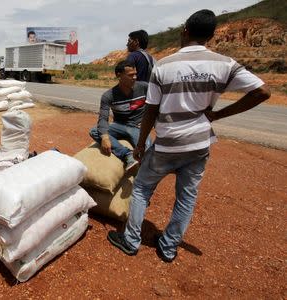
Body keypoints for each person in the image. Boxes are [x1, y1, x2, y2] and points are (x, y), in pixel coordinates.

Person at [107, 9, 271, 262]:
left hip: (167, 143)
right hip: (199, 144)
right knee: (186, 196)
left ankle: (130, 240)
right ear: (211, 35)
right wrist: (217, 115)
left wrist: (140, 145)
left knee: (141, 189)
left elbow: (151, 111)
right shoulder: (225, 64)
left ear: (185, 30)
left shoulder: (165, 66)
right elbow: (261, 92)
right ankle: (169, 246)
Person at [89, 60, 152, 172]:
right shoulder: (108, 96)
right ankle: (126, 154)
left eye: (135, 74)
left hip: (138, 127)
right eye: (130, 75)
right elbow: (103, 118)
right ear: (119, 75)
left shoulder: (144, 87)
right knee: (94, 131)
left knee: (148, 153)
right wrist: (104, 137)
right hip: (119, 126)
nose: (134, 77)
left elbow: (157, 106)